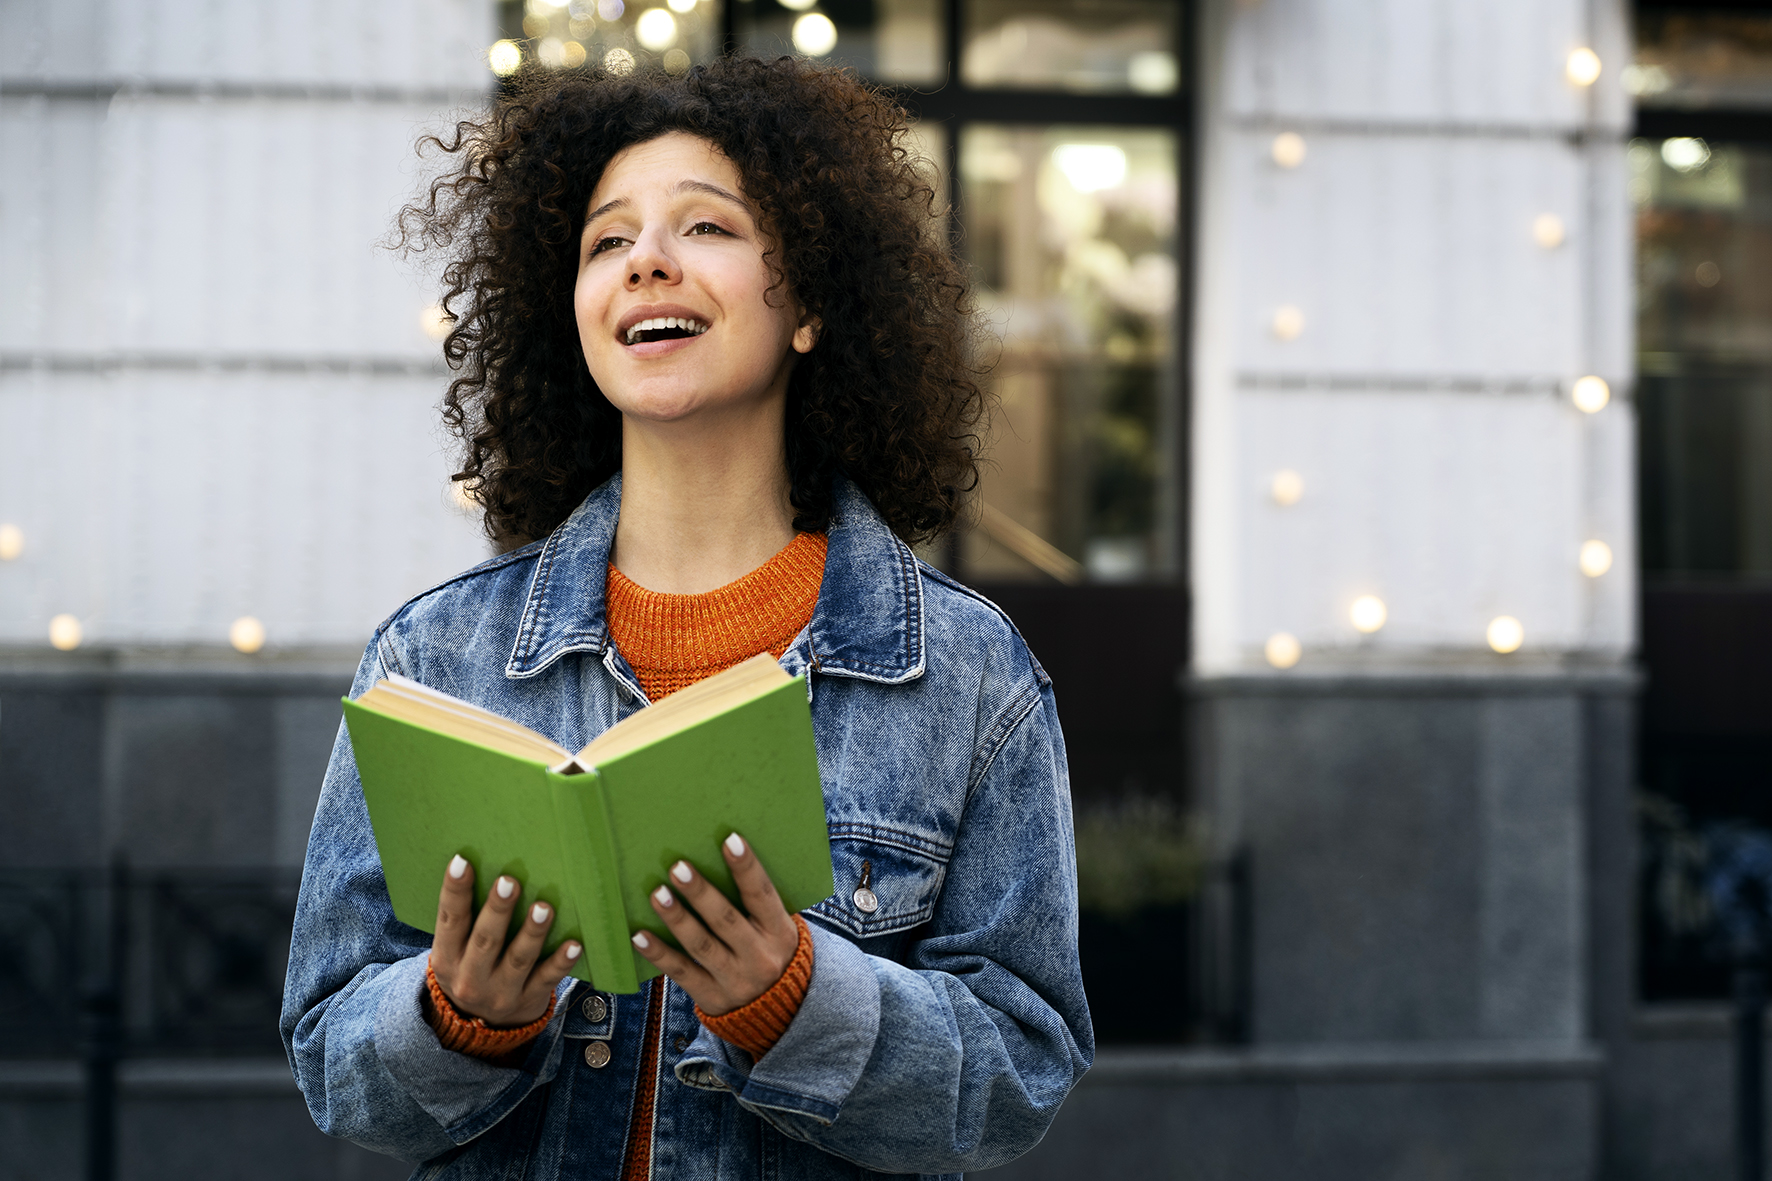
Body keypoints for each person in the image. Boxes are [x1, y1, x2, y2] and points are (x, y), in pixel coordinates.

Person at [280, 55, 1092, 1180]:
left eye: (704, 226)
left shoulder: (965, 674)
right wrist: (459, 1013)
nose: (646, 259)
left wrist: (795, 999)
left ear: (807, 303)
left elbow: (1017, 1074)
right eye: (606, 241)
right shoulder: (433, 657)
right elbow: (332, 1061)